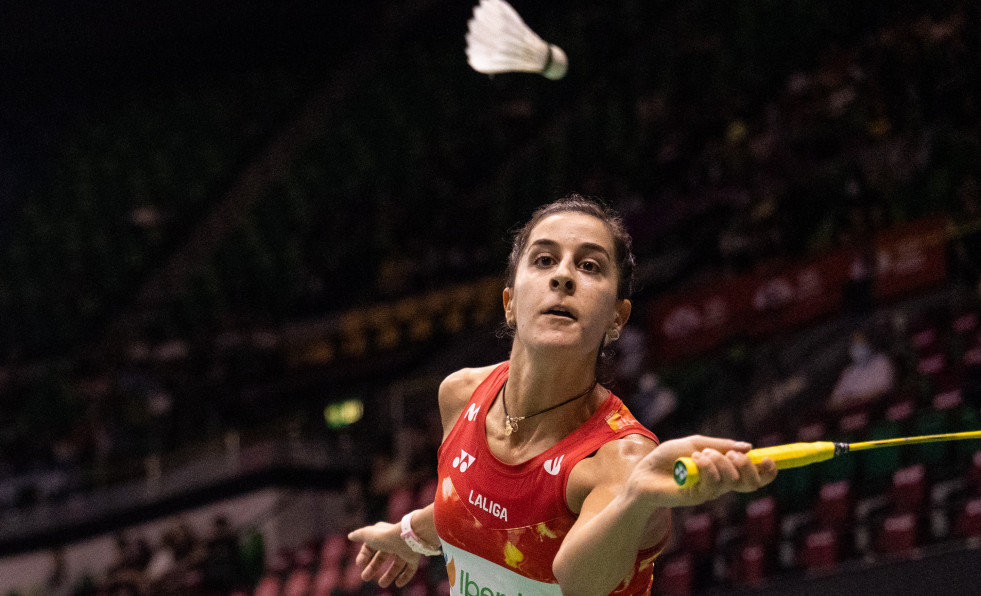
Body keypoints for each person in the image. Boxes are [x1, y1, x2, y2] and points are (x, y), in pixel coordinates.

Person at [348, 195, 777, 595]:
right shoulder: (460, 395)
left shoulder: (618, 460)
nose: (563, 275)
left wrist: (637, 499)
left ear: (616, 318)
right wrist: (405, 535)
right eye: (544, 259)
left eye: (590, 266)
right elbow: (479, 502)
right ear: (510, 302)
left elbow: (579, 581)